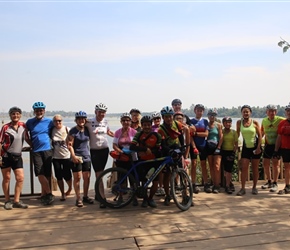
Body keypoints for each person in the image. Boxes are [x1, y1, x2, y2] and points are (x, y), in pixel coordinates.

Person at [158, 106, 190, 206]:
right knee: (167, 174)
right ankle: (168, 195)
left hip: (177, 148)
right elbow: (163, 144)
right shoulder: (161, 129)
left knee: (182, 172)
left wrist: (183, 148)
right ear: (163, 117)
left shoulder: (177, 124)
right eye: (166, 116)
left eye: (170, 116)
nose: (168, 118)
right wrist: (169, 151)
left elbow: (180, 136)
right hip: (167, 150)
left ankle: (186, 195)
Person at [0, 107, 29, 210]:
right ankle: (7, 200)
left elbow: (26, 138)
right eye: (13, 114)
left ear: (20, 115)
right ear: (10, 115)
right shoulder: (5, 127)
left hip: (18, 156)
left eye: (17, 114)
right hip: (6, 156)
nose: (15, 116)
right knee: (7, 178)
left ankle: (16, 200)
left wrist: (33, 146)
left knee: (20, 178)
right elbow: (0, 142)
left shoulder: (23, 126)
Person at [86, 103, 114, 208]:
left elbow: (109, 132)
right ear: (95, 112)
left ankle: (99, 195)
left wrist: (119, 136)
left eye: (103, 112)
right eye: (99, 112)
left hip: (104, 150)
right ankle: (102, 198)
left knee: (100, 173)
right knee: (99, 174)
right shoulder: (89, 122)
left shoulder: (105, 122)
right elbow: (79, 126)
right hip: (94, 151)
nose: (101, 114)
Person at [26, 102, 55, 205]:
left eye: (41, 110)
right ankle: (49, 193)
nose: (39, 112)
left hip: (47, 149)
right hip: (36, 151)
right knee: (40, 173)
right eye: (37, 110)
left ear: (44, 111)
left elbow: (56, 131)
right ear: (34, 111)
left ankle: (44, 195)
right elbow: (25, 136)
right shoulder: (29, 122)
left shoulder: (49, 122)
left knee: (47, 173)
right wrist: (31, 144)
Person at [130, 115, 162, 208]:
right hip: (143, 162)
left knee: (155, 182)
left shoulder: (157, 135)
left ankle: (150, 198)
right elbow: (132, 147)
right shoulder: (138, 134)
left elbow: (158, 149)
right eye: (144, 125)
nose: (147, 127)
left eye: (148, 125)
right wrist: (144, 149)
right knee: (144, 182)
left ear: (151, 125)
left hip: (154, 161)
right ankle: (144, 199)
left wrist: (150, 151)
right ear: (142, 125)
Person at [67, 111, 93, 207]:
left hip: (87, 156)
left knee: (87, 177)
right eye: (79, 119)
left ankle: (85, 196)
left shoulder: (87, 129)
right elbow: (70, 145)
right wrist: (73, 156)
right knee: (77, 178)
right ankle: (78, 198)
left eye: (83, 119)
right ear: (76, 120)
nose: (81, 120)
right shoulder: (73, 131)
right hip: (76, 156)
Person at [236, 105, 262, 196]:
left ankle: (254, 187)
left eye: (247, 112)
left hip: (256, 148)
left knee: (255, 168)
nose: (246, 113)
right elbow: (237, 135)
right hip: (246, 148)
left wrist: (259, 147)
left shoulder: (255, 122)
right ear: (242, 113)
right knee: (244, 168)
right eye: (244, 112)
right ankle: (242, 188)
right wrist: (235, 145)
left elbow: (260, 136)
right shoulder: (239, 122)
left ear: (250, 113)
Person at [113, 113, 138, 205]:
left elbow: (137, 144)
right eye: (123, 120)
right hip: (121, 157)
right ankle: (120, 197)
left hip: (132, 157)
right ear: (121, 122)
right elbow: (114, 144)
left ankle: (134, 197)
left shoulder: (134, 132)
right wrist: (120, 151)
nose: (125, 122)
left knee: (133, 178)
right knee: (121, 178)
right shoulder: (117, 132)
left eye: (127, 120)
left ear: (130, 121)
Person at [261, 104, 285, 192]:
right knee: (265, 164)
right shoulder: (264, 120)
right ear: (266, 112)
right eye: (270, 111)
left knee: (276, 164)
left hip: (277, 145)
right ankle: (269, 181)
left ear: (276, 112)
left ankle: (275, 183)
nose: (272, 113)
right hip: (267, 145)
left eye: (274, 111)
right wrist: (258, 143)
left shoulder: (281, 120)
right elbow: (262, 132)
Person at [51, 114, 72, 201]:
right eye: (56, 121)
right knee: (58, 176)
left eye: (59, 120)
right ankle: (62, 193)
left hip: (66, 156)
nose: (58, 122)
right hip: (56, 157)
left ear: (62, 121)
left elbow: (73, 141)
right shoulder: (52, 130)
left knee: (67, 175)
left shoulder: (67, 129)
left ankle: (70, 188)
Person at [190, 104, 210, 193]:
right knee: (193, 165)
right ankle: (193, 184)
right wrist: (194, 147)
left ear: (203, 112)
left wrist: (196, 134)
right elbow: (190, 136)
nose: (199, 112)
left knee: (203, 165)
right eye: (198, 110)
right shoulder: (191, 121)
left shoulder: (205, 121)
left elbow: (206, 134)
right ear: (195, 111)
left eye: (201, 111)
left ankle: (206, 184)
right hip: (194, 145)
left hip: (203, 145)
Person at [206, 109, 223, 194]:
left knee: (217, 166)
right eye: (210, 115)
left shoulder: (218, 125)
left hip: (217, 146)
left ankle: (217, 184)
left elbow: (221, 137)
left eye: (213, 115)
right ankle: (213, 183)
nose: (212, 117)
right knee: (211, 166)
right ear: (208, 116)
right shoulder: (206, 125)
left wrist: (219, 147)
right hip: (209, 147)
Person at [275, 103, 290, 194]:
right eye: (288, 111)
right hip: (285, 148)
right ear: (285, 113)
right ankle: (287, 186)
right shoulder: (282, 123)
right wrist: (276, 150)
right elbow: (279, 137)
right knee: (287, 167)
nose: (289, 112)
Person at [221, 117, 239, 194]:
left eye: (229, 122)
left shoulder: (234, 132)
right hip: (223, 151)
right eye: (226, 122)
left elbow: (236, 144)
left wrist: (233, 153)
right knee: (225, 170)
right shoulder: (221, 131)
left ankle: (227, 186)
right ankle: (230, 183)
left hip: (231, 152)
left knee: (229, 170)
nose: (228, 124)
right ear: (223, 123)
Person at [151, 111, 165, 196]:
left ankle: (161, 187)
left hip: (162, 151)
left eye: (158, 118)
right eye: (155, 119)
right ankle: (155, 187)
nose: (157, 120)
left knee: (161, 170)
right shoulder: (151, 128)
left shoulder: (163, 128)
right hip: (153, 152)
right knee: (154, 170)